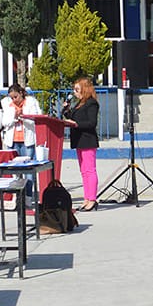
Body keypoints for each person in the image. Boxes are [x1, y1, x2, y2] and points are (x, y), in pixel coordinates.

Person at [65, 74, 102, 209]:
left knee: (90, 170)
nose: (75, 93)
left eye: (77, 90)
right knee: (84, 171)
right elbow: (73, 116)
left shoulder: (91, 103)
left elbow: (91, 123)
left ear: (84, 89)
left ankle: (92, 198)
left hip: (87, 140)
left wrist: (75, 124)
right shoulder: (79, 104)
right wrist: (67, 110)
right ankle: (86, 198)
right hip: (79, 140)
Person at [0, 83, 43, 156]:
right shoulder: (7, 104)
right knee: (14, 165)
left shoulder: (31, 102)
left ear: (21, 93)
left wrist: (22, 116)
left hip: (27, 141)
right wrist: (15, 118)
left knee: (27, 164)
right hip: (12, 141)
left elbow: (36, 119)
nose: (14, 100)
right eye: (12, 98)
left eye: (15, 97)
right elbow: (4, 122)